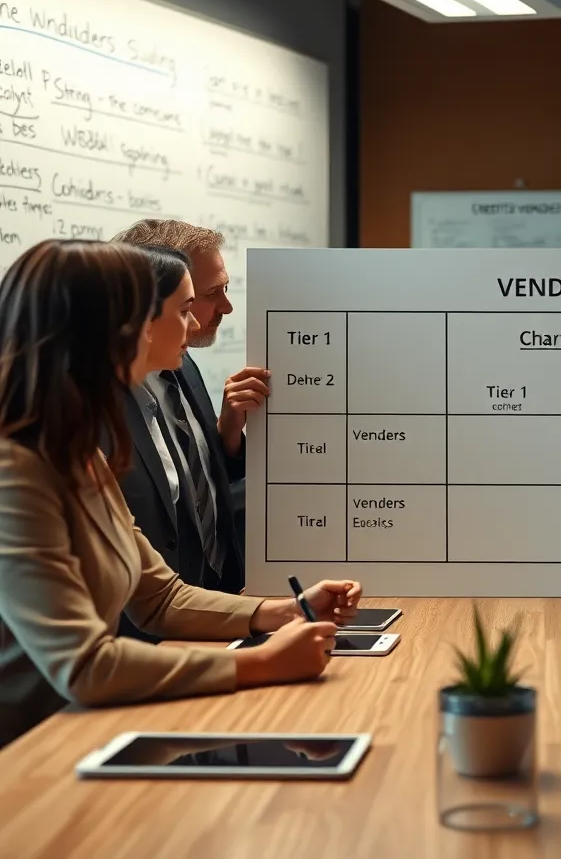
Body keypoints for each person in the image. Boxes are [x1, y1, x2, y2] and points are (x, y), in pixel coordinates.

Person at [0, 240, 361, 748]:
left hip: (88, 734)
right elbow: (84, 666)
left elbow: (160, 597)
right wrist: (259, 661)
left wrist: (287, 610)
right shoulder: (16, 468)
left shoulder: (81, 452)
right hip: (31, 755)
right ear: (121, 329)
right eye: (182, 310)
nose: (192, 327)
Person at [112, 219, 269, 575]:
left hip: (216, 598)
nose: (227, 307)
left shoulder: (183, 363)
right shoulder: (93, 406)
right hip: (150, 619)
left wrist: (226, 434)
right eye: (209, 294)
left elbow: (199, 490)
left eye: (226, 288)